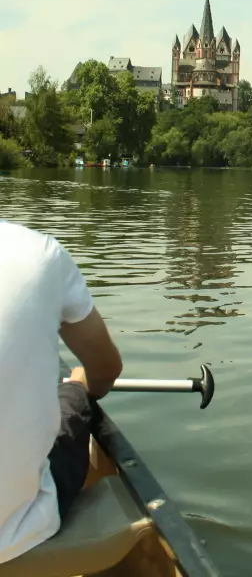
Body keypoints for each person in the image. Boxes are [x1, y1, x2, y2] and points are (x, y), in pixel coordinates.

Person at [0, 220, 123, 565]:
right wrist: (80, 388)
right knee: (74, 392)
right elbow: (106, 371)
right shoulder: (39, 253)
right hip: (11, 536)